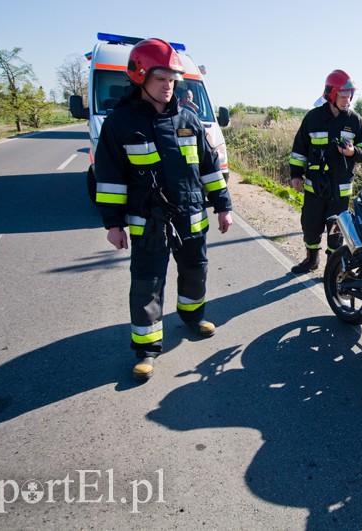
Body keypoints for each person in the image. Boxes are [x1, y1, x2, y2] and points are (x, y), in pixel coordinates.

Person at [94, 38, 233, 381]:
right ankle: (146, 349)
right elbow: (110, 178)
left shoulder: (188, 118)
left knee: (195, 269)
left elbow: (210, 168)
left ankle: (192, 316)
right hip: (148, 222)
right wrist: (113, 224)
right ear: (140, 76)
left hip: (190, 216)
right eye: (161, 79)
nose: (168, 86)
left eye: (172, 79)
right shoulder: (120, 123)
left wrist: (223, 207)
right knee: (147, 283)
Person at [288, 69, 362, 273]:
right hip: (314, 186)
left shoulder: (355, 121)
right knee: (310, 226)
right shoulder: (313, 118)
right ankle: (311, 260)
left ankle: (332, 269)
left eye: (350, 96)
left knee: (336, 231)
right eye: (343, 96)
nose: (348, 100)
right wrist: (295, 175)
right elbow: (299, 148)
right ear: (331, 94)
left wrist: (354, 152)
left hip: (340, 189)